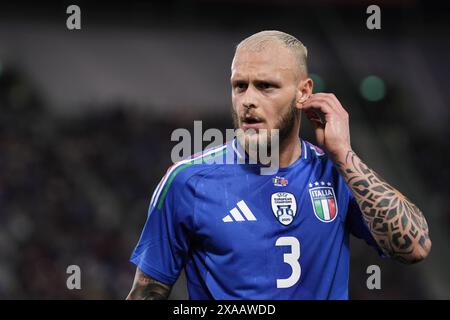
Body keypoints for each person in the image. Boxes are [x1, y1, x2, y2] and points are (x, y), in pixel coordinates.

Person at [126, 30, 431, 300]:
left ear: (303, 92)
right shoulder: (187, 181)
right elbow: (147, 292)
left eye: (265, 86)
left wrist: (344, 155)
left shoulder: (336, 173)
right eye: (239, 86)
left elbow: (414, 248)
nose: (248, 99)